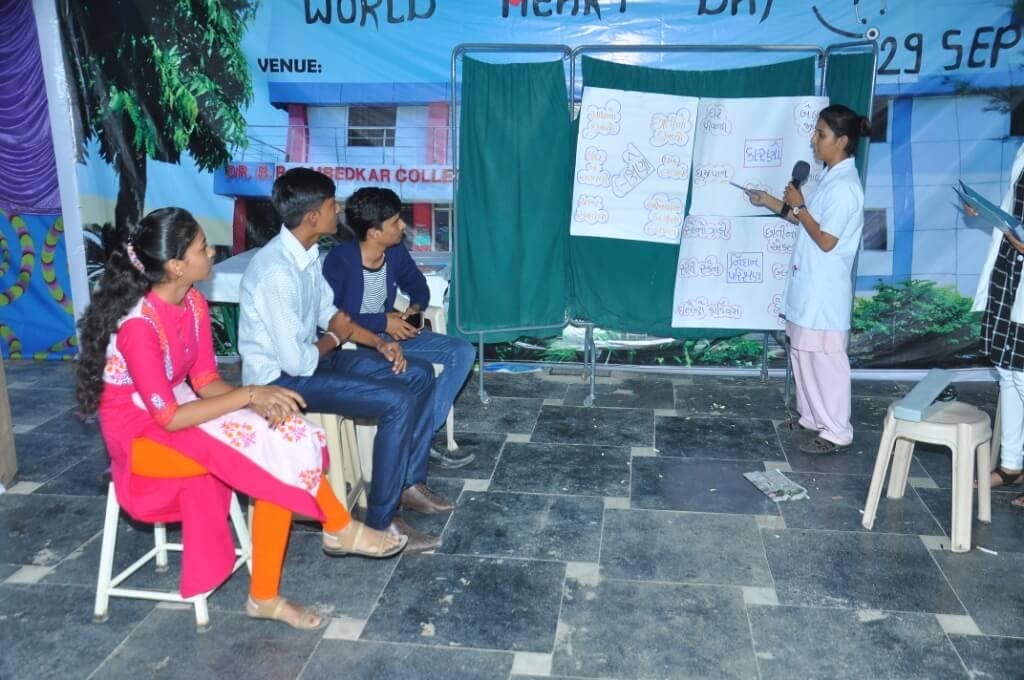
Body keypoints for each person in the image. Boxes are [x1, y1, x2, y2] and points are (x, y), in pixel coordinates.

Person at [76, 208, 405, 632]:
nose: (211, 251)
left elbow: (205, 379)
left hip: (176, 411)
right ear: (177, 266)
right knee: (264, 462)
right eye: (201, 248)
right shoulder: (140, 326)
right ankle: (324, 541)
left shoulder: (192, 300)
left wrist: (257, 404)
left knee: (284, 430)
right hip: (141, 437)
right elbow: (169, 418)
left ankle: (313, 551)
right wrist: (249, 395)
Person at [238, 168, 454, 553]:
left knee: (418, 374)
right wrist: (336, 337)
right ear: (312, 217)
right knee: (396, 401)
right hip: (282, 380)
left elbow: (332, 315)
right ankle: (380, 522)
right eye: (330, 204)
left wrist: (379, 343)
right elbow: (301, 359)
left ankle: (407, 485)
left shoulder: (304, 257)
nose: (337, 209)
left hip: (315, 361)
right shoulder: (277, 271)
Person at [323, 187, 476, 469]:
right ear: (374, 233)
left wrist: (415, 307)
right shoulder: (340, 261)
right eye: (395, 222)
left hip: (394, 334)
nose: (402, 225)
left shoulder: (394, 253)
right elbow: (337, 318)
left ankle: (420, 436)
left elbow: (416, 284)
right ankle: (409, 443)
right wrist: (383, 322)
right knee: (418, 372)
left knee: (462, 352)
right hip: (358, 345)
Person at [747, 104, 868, 454]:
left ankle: (836, 430)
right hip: (809, 287)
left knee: (825, 360)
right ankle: (814, 417)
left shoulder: (846, 188)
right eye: (815, 131)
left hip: (824, 292)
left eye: (821, 134)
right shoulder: (832, 178)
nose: (813, 140)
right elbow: (809, 222)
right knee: (803, 354)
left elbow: (827, 240)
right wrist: (771, 201)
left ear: (842, 141)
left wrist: (799, 206)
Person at [968, 139, 1024, 507]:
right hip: (1012, 268)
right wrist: (991, 214)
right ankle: (1011, 464)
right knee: (1008, 371)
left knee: (1022, 375)